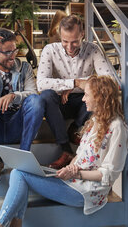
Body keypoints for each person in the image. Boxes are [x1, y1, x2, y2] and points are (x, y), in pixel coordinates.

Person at [0, 75, 128, 227]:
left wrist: (76, 173)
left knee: (19, 174)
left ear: (100, 98)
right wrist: (69, 168)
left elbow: (108, 175)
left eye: (87, 95)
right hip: (72, 180)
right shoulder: (95, 121)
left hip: (87, 192)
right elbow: (79, 156)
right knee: (20, 170)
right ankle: (12, 224)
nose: (83, 99)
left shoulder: (117, 127)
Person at [37, 14, 116, 169]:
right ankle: (66, 149)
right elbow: (41, 84)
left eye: (75, 42)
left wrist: (78, 85)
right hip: (59, 103)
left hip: (83, 102)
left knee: (100, 94)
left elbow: (110, 80)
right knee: (46, 96)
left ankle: (77, 128)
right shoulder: (50, 50)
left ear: (82, 35)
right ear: (60, 35)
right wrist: (73, 82)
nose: (70, 47)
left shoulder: (93, 49)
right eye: (65, 41)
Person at [0, 27, 44, 183]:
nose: (13, 56)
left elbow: (32, 93)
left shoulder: (24, 68)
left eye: (14, 50)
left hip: (15, 125)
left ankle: (23, 159)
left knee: (36, 101)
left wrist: (14, 96)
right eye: (7, 53)